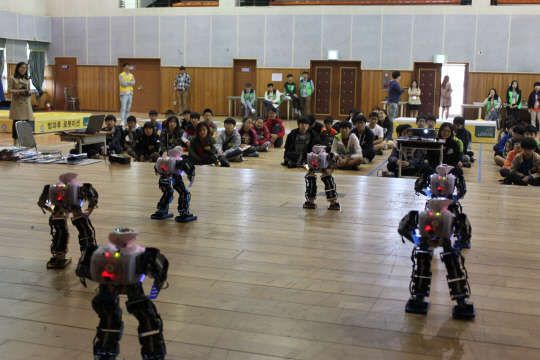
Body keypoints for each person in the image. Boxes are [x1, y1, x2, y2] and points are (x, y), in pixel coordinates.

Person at [8, 62, 33, 146]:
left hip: (26, 103)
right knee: (16, 123)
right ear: (18, 68)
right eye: (22, 67)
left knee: (26, 124)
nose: (23, 69)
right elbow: (9, 90)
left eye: (25, 68)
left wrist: (28, 92)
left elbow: (29, 90)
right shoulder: (12, 78)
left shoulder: (27, 79)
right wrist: (19, 91)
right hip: (17, 104)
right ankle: (16, 142)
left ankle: (25, 142)